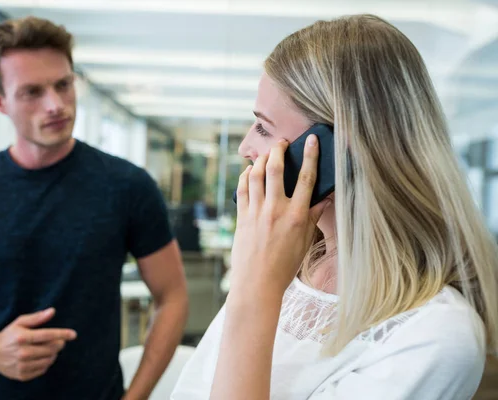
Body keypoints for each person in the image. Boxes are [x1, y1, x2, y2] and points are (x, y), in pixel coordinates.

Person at [172, 14, 498, 399]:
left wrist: (255, 289)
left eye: (263, 127)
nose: (245, 147)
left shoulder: (435, 336)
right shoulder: (287, 264)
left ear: (331, 153)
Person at [0, 16, 189, 400]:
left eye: (63, 85)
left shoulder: (128, 186)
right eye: (32, 92)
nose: (55, 105)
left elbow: (172, 296)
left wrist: (134, 397)